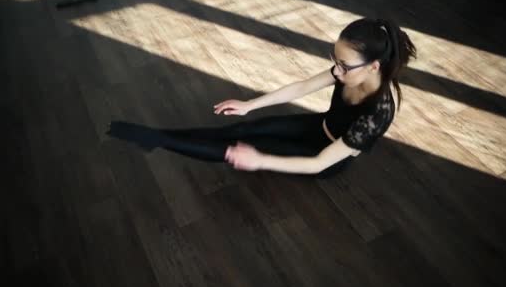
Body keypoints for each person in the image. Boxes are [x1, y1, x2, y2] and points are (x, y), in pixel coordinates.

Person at [107, 17, 416, 178]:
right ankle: (159, 137)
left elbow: (319, 163)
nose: (336, 70)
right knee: (240, 129)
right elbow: (300, 88)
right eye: (334, 60)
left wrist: (260, 161)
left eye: (343, 65)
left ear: (374, 66)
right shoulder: (348, 70)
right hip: (318, 126)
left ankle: (156, 138)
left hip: (324, 156)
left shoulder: (380, 112)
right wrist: (249, 105)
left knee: (233, 150)